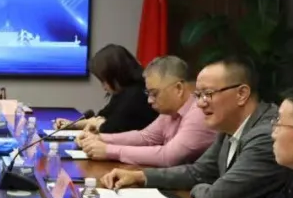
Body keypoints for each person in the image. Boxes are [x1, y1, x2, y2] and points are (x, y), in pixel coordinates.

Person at [101, 57, 290, 198]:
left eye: (208, 94)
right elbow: (198, 172)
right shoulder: (228, 127)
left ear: (241, 94)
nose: (200, 104)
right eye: (198, 95)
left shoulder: (266, 135)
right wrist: (140, 176)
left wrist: (203, 187)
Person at [77, 55, 214, 167]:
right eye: (148, 93)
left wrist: (109, 151)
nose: (149, 100)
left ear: (178, 89)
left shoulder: (199, 112)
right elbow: (146, 137)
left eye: (154, 94)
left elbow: (167, 156)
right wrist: (100, 138)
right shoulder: (170, 111)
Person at [54, 44, 156, 134]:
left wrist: (98, 123)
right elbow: (103, 117)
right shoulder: (123, 91)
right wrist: (72, 125)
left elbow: (109, 128)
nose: (103, 87)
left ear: (116, 74)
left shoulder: (136, 94)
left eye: (103, 81)